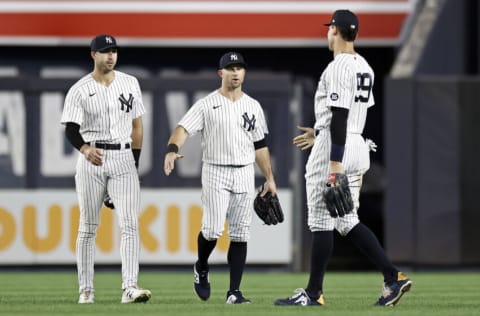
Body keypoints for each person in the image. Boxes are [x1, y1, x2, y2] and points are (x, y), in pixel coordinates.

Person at [274, 10, 412, 307]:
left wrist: (333, 160)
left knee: (321, 220)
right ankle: (393, 277)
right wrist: (319, 132)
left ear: (335, 30)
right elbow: (349, 116)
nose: (328, 33)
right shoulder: (365, 66)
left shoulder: (337, 67)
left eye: (330, 28)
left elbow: (340, 114)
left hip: (335, 150)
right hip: (358, 145)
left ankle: (313, 293)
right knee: (347, 219)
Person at [164, 51, 277, 304]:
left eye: (239, 68)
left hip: (245, 172)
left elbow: (260, 146)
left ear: (244, 73)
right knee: (213, 230)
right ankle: (201, 266)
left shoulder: (253, 106)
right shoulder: (207, 104)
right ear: (220, 73)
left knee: (240, 233)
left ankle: (234, 292)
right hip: (216, 170)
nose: (235, 72)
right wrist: (172, 150)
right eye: (230, 68)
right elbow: (182, 129)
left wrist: (269, 178)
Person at [61, 34, 151, 304]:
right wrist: (85, 149)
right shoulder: (79, 89)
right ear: (93, 55)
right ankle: (86, 290)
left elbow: (137, 126)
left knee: (130, 224)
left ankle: (130, 288)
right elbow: (71, 130)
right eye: (105, 51)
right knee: (88, 227)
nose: (111, 56)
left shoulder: (130, 83)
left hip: (123, 156)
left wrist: (133, 162)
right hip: (92, 159)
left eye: (114, 51)